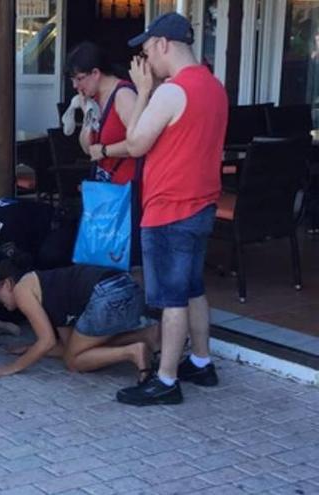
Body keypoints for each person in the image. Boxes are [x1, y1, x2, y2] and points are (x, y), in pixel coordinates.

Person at [118, 13, 228, 406]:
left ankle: (165, 381)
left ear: (163, 44)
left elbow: (135, 145)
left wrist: (143, 91)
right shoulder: (214, 87)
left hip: (170, 209)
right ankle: (201, 361)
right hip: (201, 206)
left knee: (171, 299)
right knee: (193, 288)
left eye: (147, 51)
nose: (147, 61)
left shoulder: (170, 92)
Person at [0, 256, 158, 380]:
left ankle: (133, 352)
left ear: (7, 283)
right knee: (77, 352)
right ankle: (146, 335)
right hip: (127, 289)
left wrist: (12, 367)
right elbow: (66, 346)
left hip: (106, 296)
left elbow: (47, 342)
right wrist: (30, 349)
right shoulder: (47, 287)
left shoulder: (22, 289)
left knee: (73, 362)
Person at [68, 41, 138, 184]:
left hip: (126, 186)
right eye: (72, 80)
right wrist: (86, 112)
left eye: (79, 78)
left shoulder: (123, 95)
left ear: (95, 73)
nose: (75, 85)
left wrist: (106, 151)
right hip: (106, 186)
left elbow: (140, 141)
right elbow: (87, 148)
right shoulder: (94, 99)